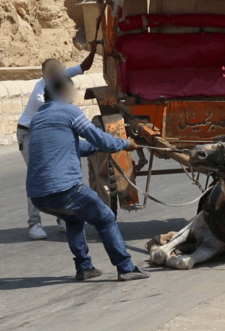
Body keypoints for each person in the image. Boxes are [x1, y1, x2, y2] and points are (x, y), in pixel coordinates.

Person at [26, 72, 149, 281]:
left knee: (74, 219)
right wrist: (125, 144)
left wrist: (97, 148)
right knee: (106, 218)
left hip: (38, 196)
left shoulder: (37, 118)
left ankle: (84, 268)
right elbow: (102, 139)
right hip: (65, 189)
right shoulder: (69, 112)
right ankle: (126, 267)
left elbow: (70, 146)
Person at [17, 49, 96, 240]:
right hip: (29, 134)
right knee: (37, 176)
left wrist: (94, 49)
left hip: (45, 132)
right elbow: (53, 110)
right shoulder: (40, 93)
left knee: (59, 173)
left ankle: (62, 219)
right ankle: (34, 224)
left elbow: (83, 67)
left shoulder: (57, 78)